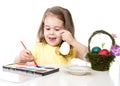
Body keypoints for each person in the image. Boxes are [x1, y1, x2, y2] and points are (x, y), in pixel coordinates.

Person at [14, 6, 88, 65]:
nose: (51, 33)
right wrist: (21, 58)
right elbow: (16, 63)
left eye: (57, 29)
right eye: (48, 28)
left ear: (66, 30)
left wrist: (73, 41)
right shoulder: (39, 48)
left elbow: (90, 57)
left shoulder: (70, 50)